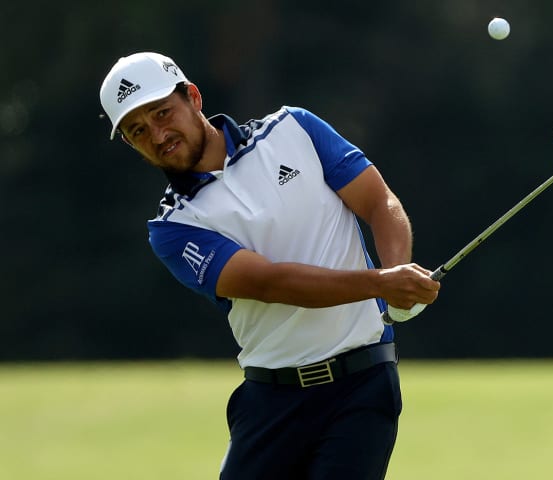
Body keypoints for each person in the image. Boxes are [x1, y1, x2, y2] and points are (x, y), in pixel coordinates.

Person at [98, 51, 440, 479]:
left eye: (163, 113)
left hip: (363, 383)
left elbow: (378, 201)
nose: (158, 134)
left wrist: (397, 278)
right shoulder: (172, 228)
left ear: (193, 98)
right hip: (271, 402)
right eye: (138, 131)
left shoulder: (293, 129)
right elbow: (270, 282)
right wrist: (382, 284)